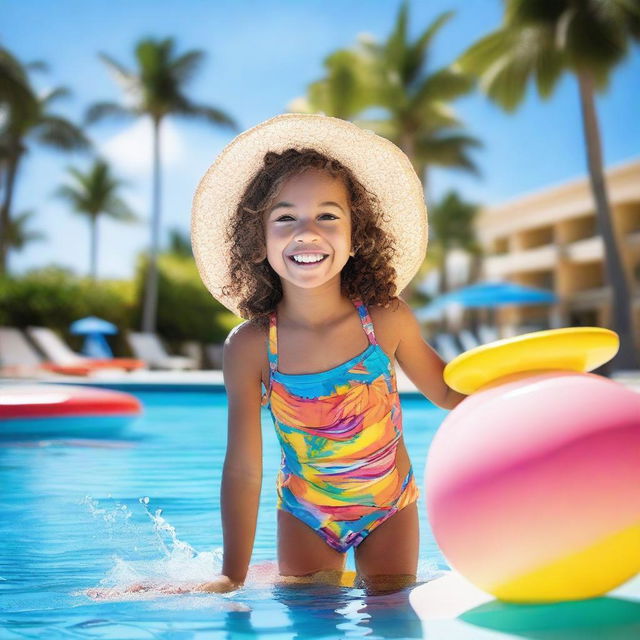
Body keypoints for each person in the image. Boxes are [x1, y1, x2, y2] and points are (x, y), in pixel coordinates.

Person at [107, 113, 466, 600]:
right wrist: (230, 575)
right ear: (260, 241)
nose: (307, 231)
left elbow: (446, 391)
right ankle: (254, 573)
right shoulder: (251, 346)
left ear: (356, 233)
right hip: (306, 515)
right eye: (285, 218)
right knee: (310, 618)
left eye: (328, 215)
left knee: (392, 612)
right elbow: (243, 468)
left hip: (388, 506)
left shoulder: (385, 319)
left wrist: (528, 385)